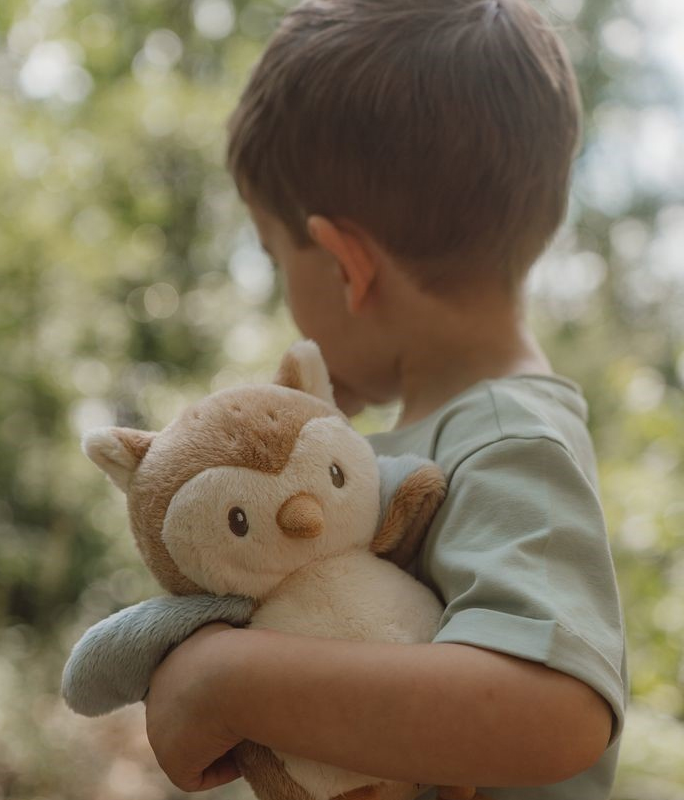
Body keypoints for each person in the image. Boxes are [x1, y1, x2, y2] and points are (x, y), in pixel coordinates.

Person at [142, 1, 627, 798]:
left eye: (275, 257)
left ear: (345, 266)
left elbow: (555, 712)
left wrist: (229, 678)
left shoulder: (507, 440)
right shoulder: (433, 438)